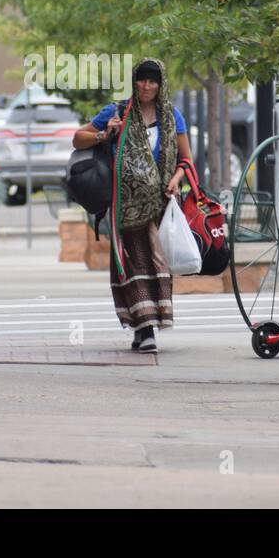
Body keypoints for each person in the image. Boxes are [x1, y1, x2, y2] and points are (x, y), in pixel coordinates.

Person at [72, 58, 191, 353]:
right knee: (133, 263)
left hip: (160, 204)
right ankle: (146, 328)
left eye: (153, 81)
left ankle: (143, 327)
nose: (147, 86)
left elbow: (186, 160)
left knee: (156, 265)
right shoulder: (117, 111)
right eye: (141, 80)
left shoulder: (172, 115)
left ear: (161, 84)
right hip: (126, 204)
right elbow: (78, 139)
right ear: (133, 81)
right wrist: (104, 133)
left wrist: (176, 179)